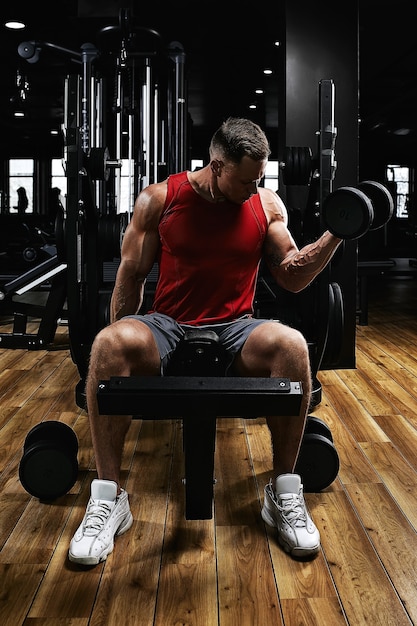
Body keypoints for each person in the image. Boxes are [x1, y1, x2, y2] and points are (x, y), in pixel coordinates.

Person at [69, 117, 343, 566]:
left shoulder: (265, 205)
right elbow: (132, 275)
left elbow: (292, 276)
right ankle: (108, 498)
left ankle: (284, 493)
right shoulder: (161, 199)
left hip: (237, 325)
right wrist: (114, 357)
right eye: (245, 180)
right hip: (167, 323)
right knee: (109, 344)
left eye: (260, 179)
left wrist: (336, 234)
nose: (254, 189)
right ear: (216, 166)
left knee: (292, 345)